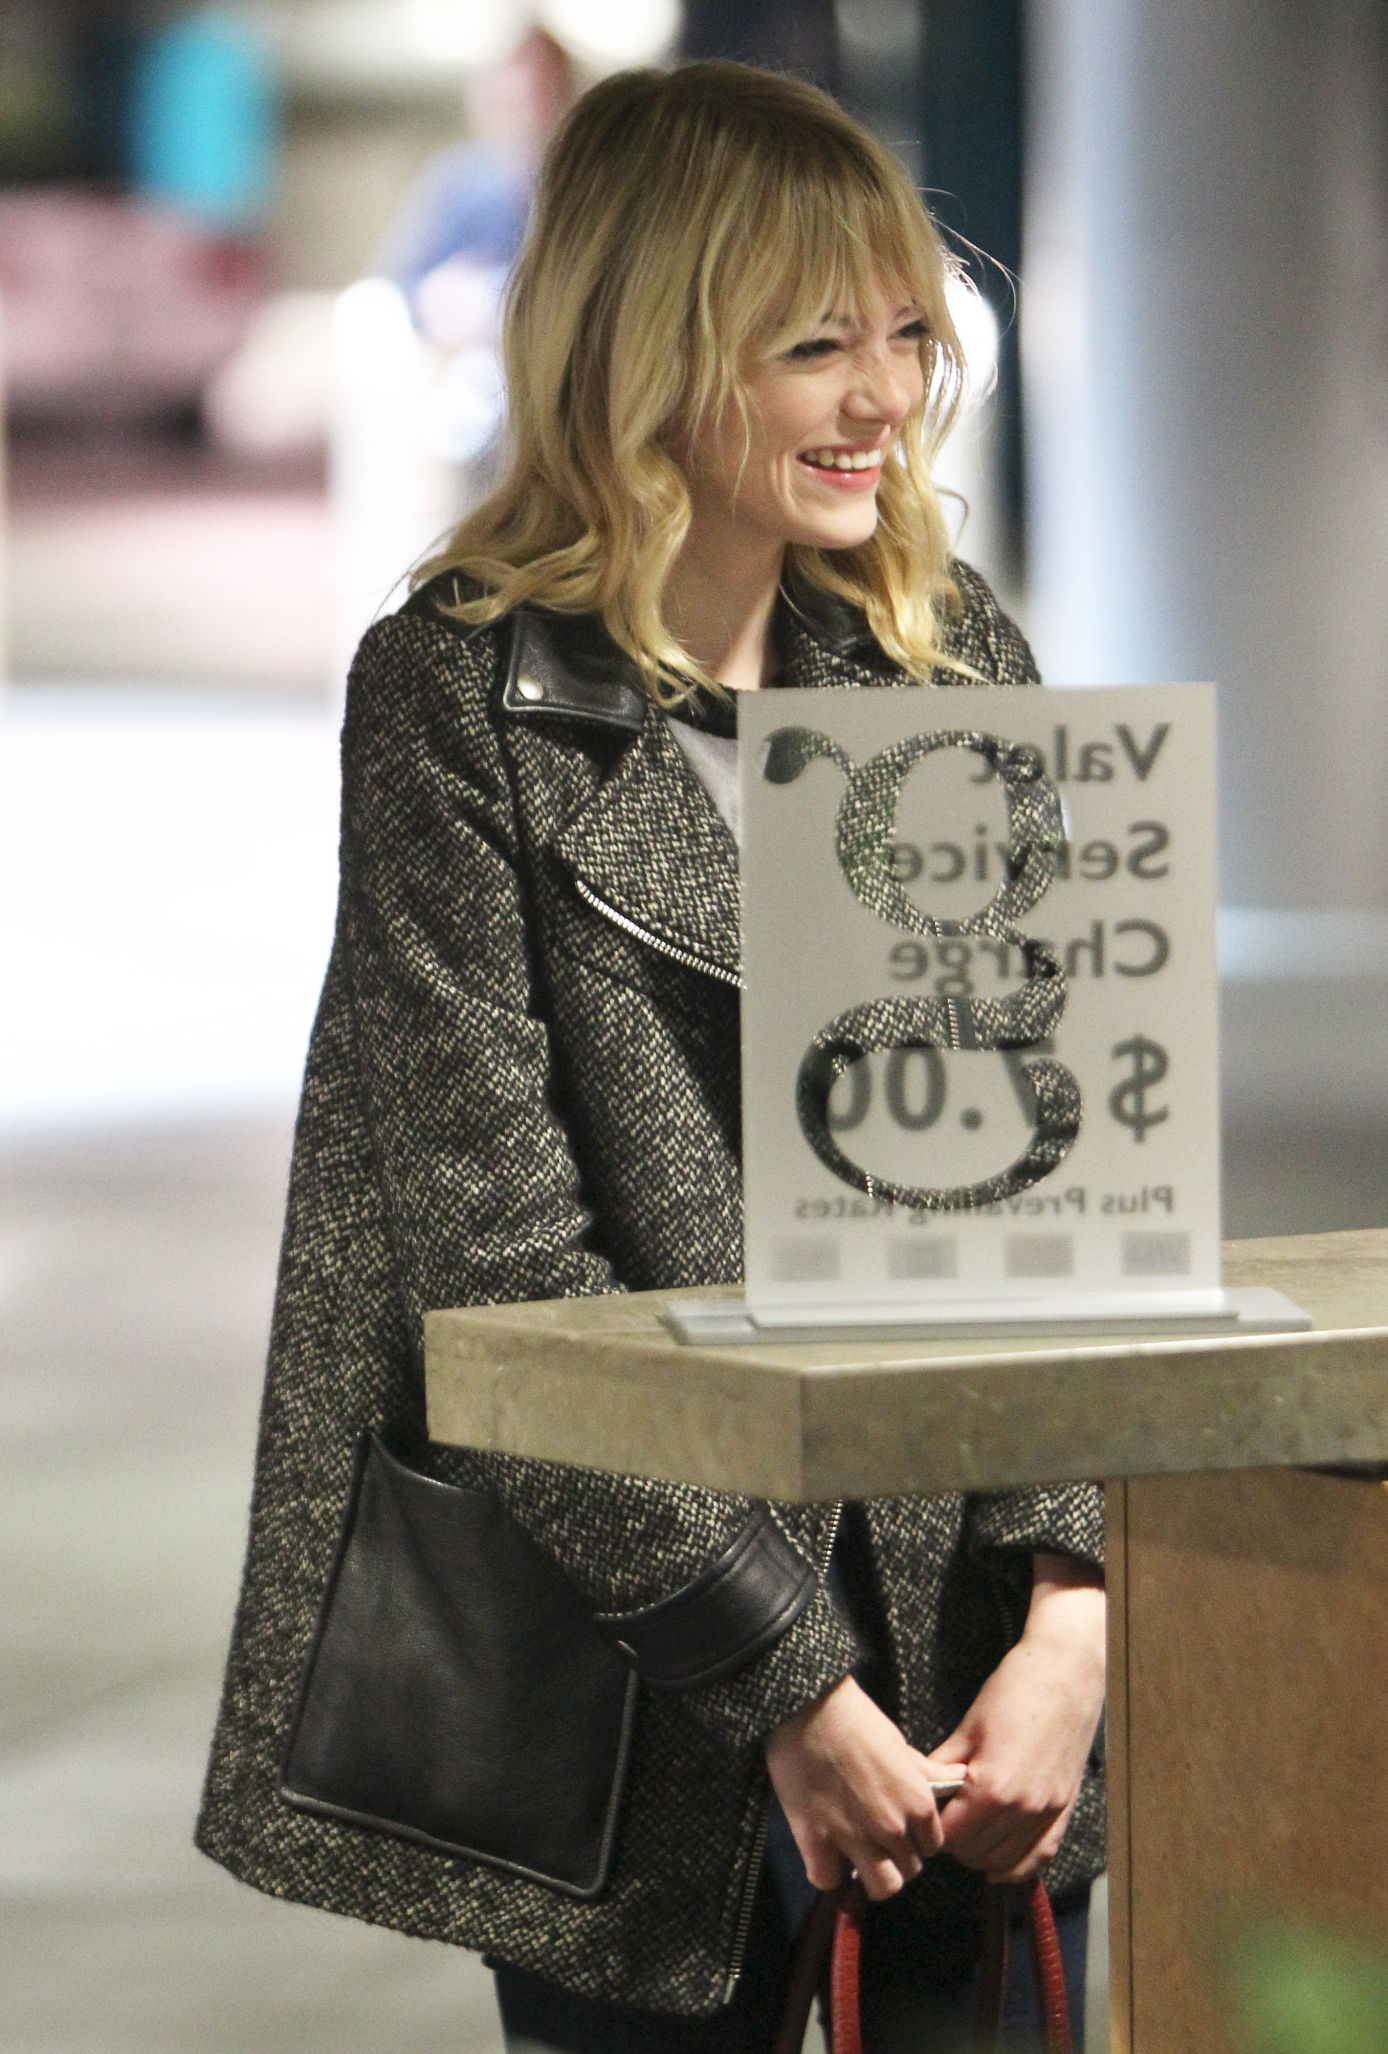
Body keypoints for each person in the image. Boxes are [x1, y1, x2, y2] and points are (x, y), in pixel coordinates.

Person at [197, 62, 1106, 2053]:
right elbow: (499, 1261)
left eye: (904, 336)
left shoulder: (944, 653)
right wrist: (784, 1684)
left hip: (967, 1655)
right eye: (813, 345)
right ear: (651, 346)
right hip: (624, 1660)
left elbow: (1060, 1178)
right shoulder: (457, 693)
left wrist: (1075, 1614)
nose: (883, 398)